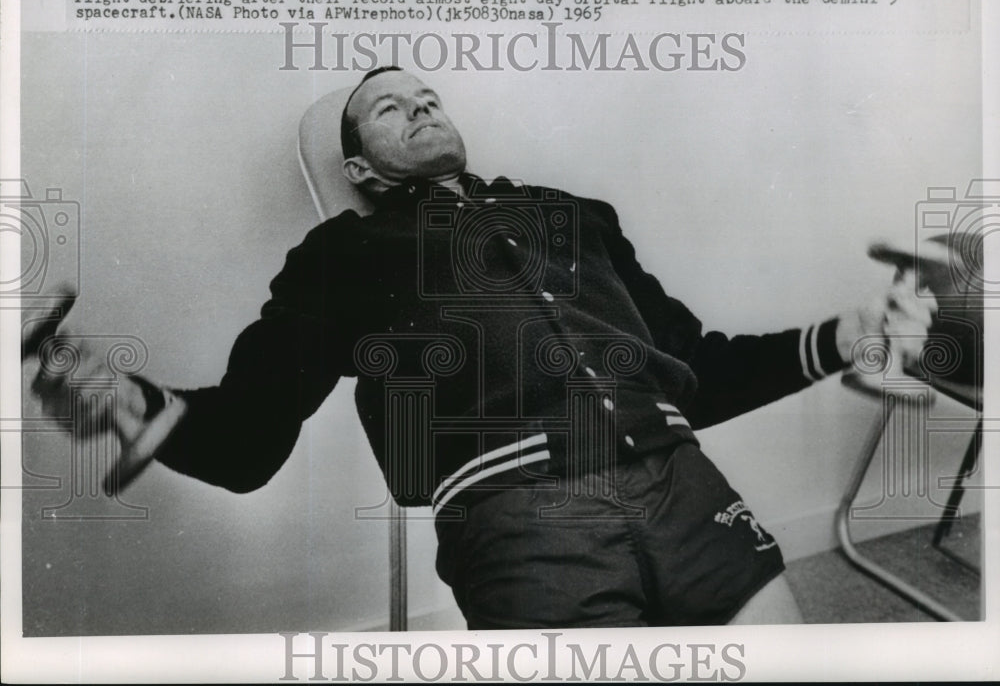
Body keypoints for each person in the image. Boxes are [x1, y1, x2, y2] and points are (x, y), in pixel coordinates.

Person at [24, 66, 935, 628]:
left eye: (428, 95)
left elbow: (693, 368)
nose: (419, 106)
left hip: (685, 483)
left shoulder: (577, 218)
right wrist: (128, 402)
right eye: (389, 108)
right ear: (360, 170)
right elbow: (249, 439)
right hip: (521, 515)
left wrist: (845, 336)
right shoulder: (341, 253)